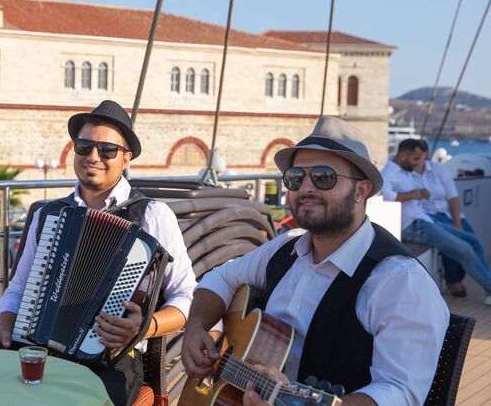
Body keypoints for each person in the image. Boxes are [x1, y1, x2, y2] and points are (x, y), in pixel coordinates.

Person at [182, 117, 449, 406]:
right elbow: (220, 278)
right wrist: (196, 327)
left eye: (324, 177)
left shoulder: (398, 280)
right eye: (296, 178)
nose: (306, 188)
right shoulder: (284, 248)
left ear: (361, 190)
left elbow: (400, 391)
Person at [0, 100, 196, 406]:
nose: (93, 156)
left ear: (125, 158)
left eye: (107, 150)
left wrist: (143, 328)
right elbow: (18, 288)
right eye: (84, 146)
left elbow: (187, 295)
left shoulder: (152, 214)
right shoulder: (49, 213)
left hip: (112, 358)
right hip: (35, 346)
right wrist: (3, 326)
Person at [382, 138, 491, 305]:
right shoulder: (388, 174)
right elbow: (387, 197)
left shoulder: (406, 171)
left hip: (425, 220)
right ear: (403, 155)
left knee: (473, 241)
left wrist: (419, 193)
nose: (419, 163)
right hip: (413, 225)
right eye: (416, 159)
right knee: (464, 249)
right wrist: (414, 194)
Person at [414, 140, 485, 297]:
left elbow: (453, 197)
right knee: (451, 244)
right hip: (429, 217)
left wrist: (457, 222)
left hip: (450, 214)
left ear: (426, 154)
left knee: (475, 243)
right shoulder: (406, 173)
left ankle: (476, 279)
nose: (415, 158)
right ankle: (453, 281)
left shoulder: (439, 170)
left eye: (418, 155)